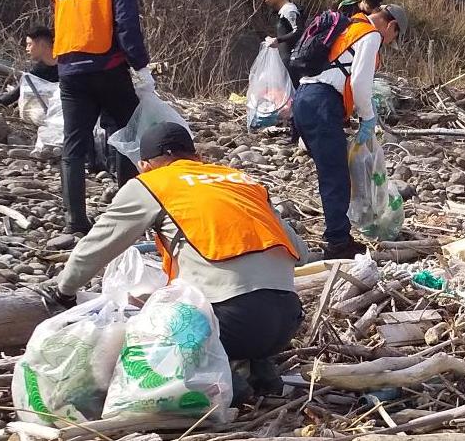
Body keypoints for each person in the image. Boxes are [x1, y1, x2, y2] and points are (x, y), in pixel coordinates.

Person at [42, 122, 307, 400]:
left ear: (144, 165)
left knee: (145, 336)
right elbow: (300, 251)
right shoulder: (241, 181)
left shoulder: (152, 184)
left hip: (233, 324)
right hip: (287, 320)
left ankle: (223, 384)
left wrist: (65, 291)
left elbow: (98, 245)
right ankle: (259, 366)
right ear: (197, 157)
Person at [51, 0, 150, 233]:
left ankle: (75, 221)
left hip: (69, 72)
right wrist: (141, 66)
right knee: (126, 134)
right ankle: (125, 213)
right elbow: (126, 26)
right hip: (107, 68)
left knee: (74, 146)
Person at [293, 4, 409, 260]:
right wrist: (368, 117)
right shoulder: (370, 35)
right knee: (336, 176)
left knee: (330, 173)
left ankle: (336, 234)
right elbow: (359, 81)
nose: (389, 41)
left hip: (304, 99)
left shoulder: (348, 26)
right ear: (390, 26)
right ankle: (337, 242)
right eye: (394, 36)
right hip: (322, 103)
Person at [0, 26, 58, 106]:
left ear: (42, 45)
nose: (26, 49)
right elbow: (14, 94)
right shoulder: (37, 72)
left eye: (29, 44)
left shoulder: (67, 64)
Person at [261, 0, 303, 86]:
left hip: (291, 62)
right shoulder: (281, 12)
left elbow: (299, 31)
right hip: (284, 61)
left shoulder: (289, 10)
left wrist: (278, 40)